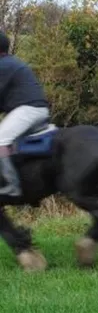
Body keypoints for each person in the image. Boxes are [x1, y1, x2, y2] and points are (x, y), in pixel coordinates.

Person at [0, 31, 52, 198]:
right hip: (34, 110)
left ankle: (12, 186)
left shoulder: (3, 66)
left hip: (27, 110)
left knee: (1, 140)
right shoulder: (10, 63)